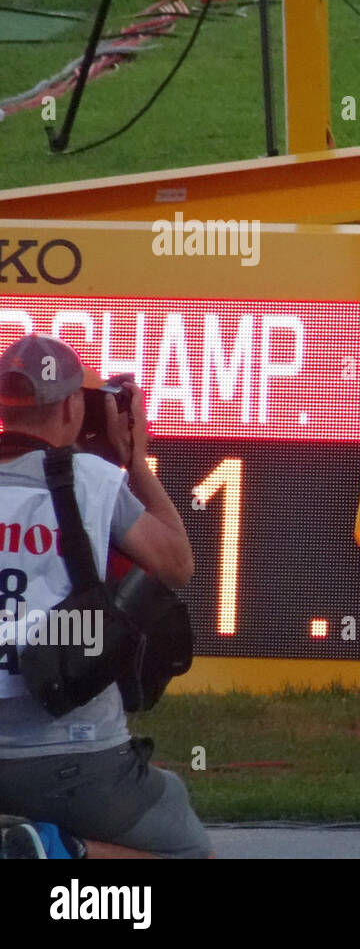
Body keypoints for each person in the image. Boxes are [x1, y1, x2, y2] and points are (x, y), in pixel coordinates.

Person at [0, 334, 209, 858]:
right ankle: (61, 852)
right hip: (74, 753)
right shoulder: (94, 480)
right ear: (73, 405)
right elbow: (176, 565)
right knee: (188, 854)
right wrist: (135, 461)